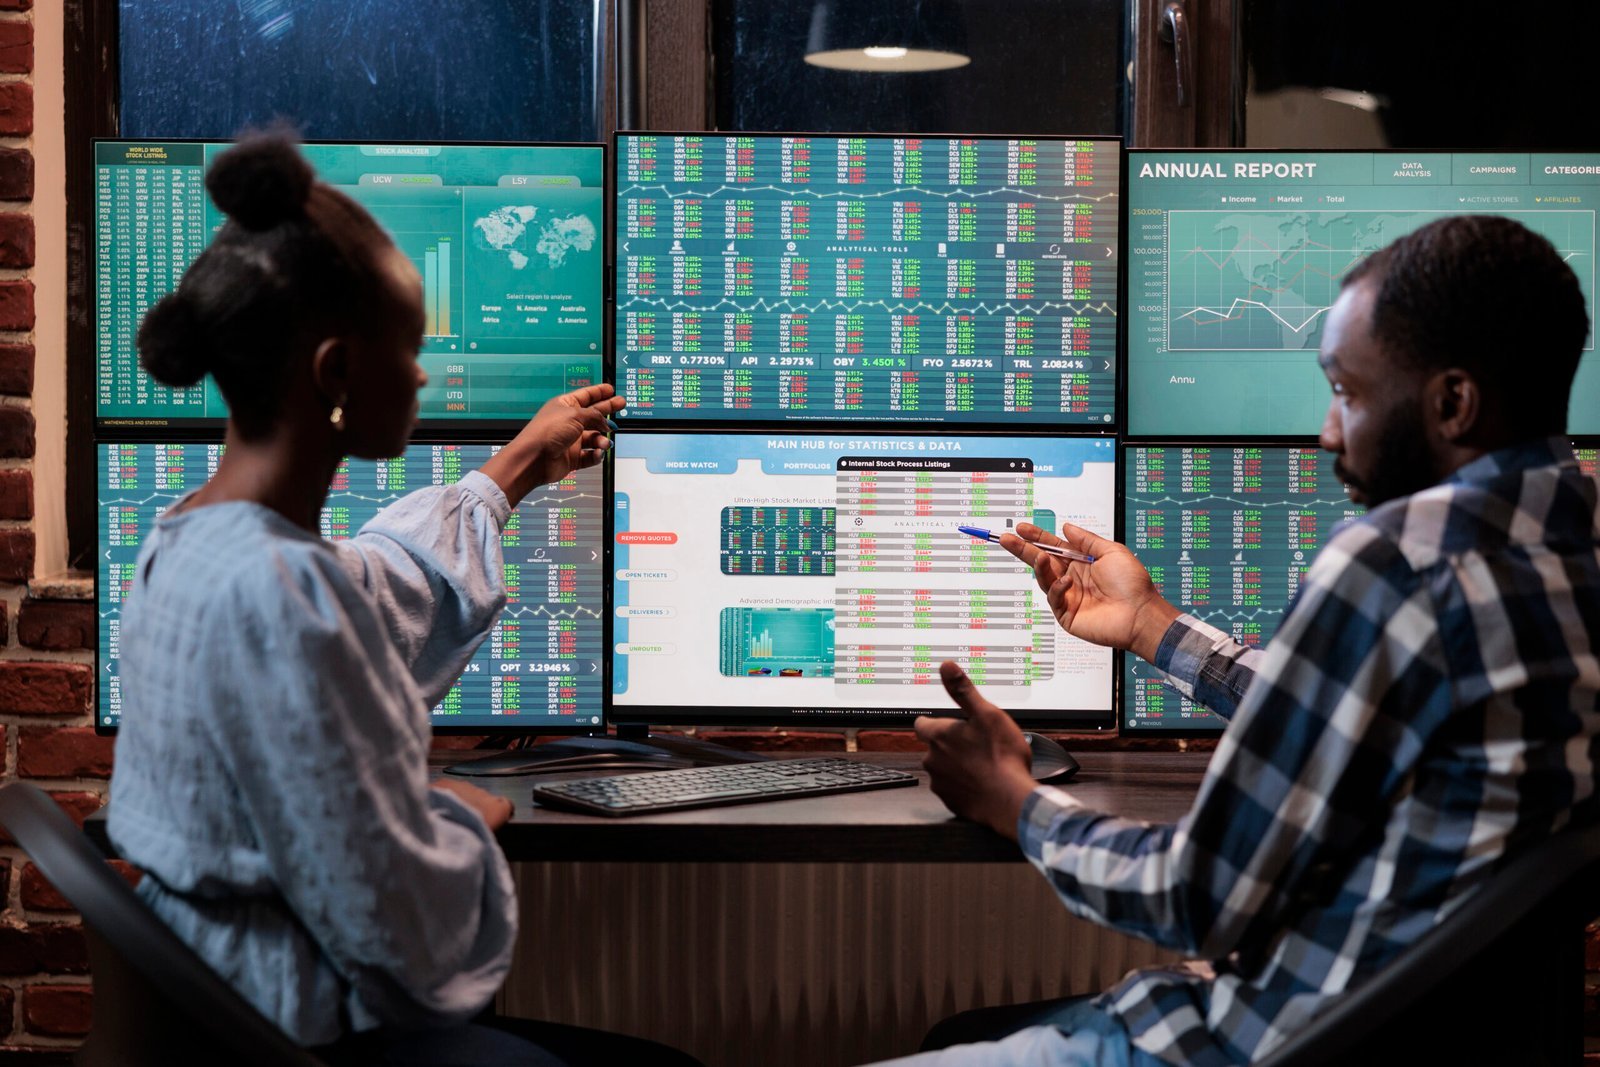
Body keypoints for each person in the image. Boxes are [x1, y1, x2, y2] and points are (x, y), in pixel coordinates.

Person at [885, 214, 1600, 1066]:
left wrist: (1012, 801)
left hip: (1246, 1040)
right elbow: (1357, 709)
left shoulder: (1400, 562)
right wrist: (1151, 625)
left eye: (1347, 392)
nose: (1327, 432)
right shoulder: (1569, 550)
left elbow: (1197, 895)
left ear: (1453, 403)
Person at [106, 133, 694, 1066]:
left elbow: (377, 585)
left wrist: (513, 469)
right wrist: (459, 817)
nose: (422, 376)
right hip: (310, 1032)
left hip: (218, 1017)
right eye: (410, 350)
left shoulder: (188, 541)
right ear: (337, 372)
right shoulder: (282, 591)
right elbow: (400, 932)